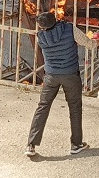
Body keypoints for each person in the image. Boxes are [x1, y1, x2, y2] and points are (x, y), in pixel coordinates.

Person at [26, 9, 90, 158]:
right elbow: (89, 43)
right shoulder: (70, 29)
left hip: (51, 76)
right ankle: (76, 145)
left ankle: (31, 144)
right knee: (75, 108)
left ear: (42, 26)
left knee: (42, 107)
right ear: (55, 19)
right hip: (70, 75)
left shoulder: (40, 37)